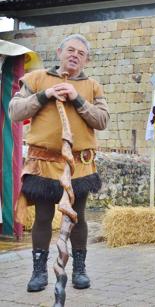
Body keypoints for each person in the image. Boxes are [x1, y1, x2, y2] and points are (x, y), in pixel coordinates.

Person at [8, 34, 109, 292]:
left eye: (81, 53)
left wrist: (77, 97)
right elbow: (15, 111)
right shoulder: (36, 79)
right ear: (60, 51)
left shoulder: (92, 86)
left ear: (86, 60)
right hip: (44, 163)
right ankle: (39, 272)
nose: (75, 55)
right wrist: (45, 95)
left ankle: (79, 270)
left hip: (79, 165)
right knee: (43, 217)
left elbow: (101, 120)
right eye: (70, 50)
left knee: (78, 218)